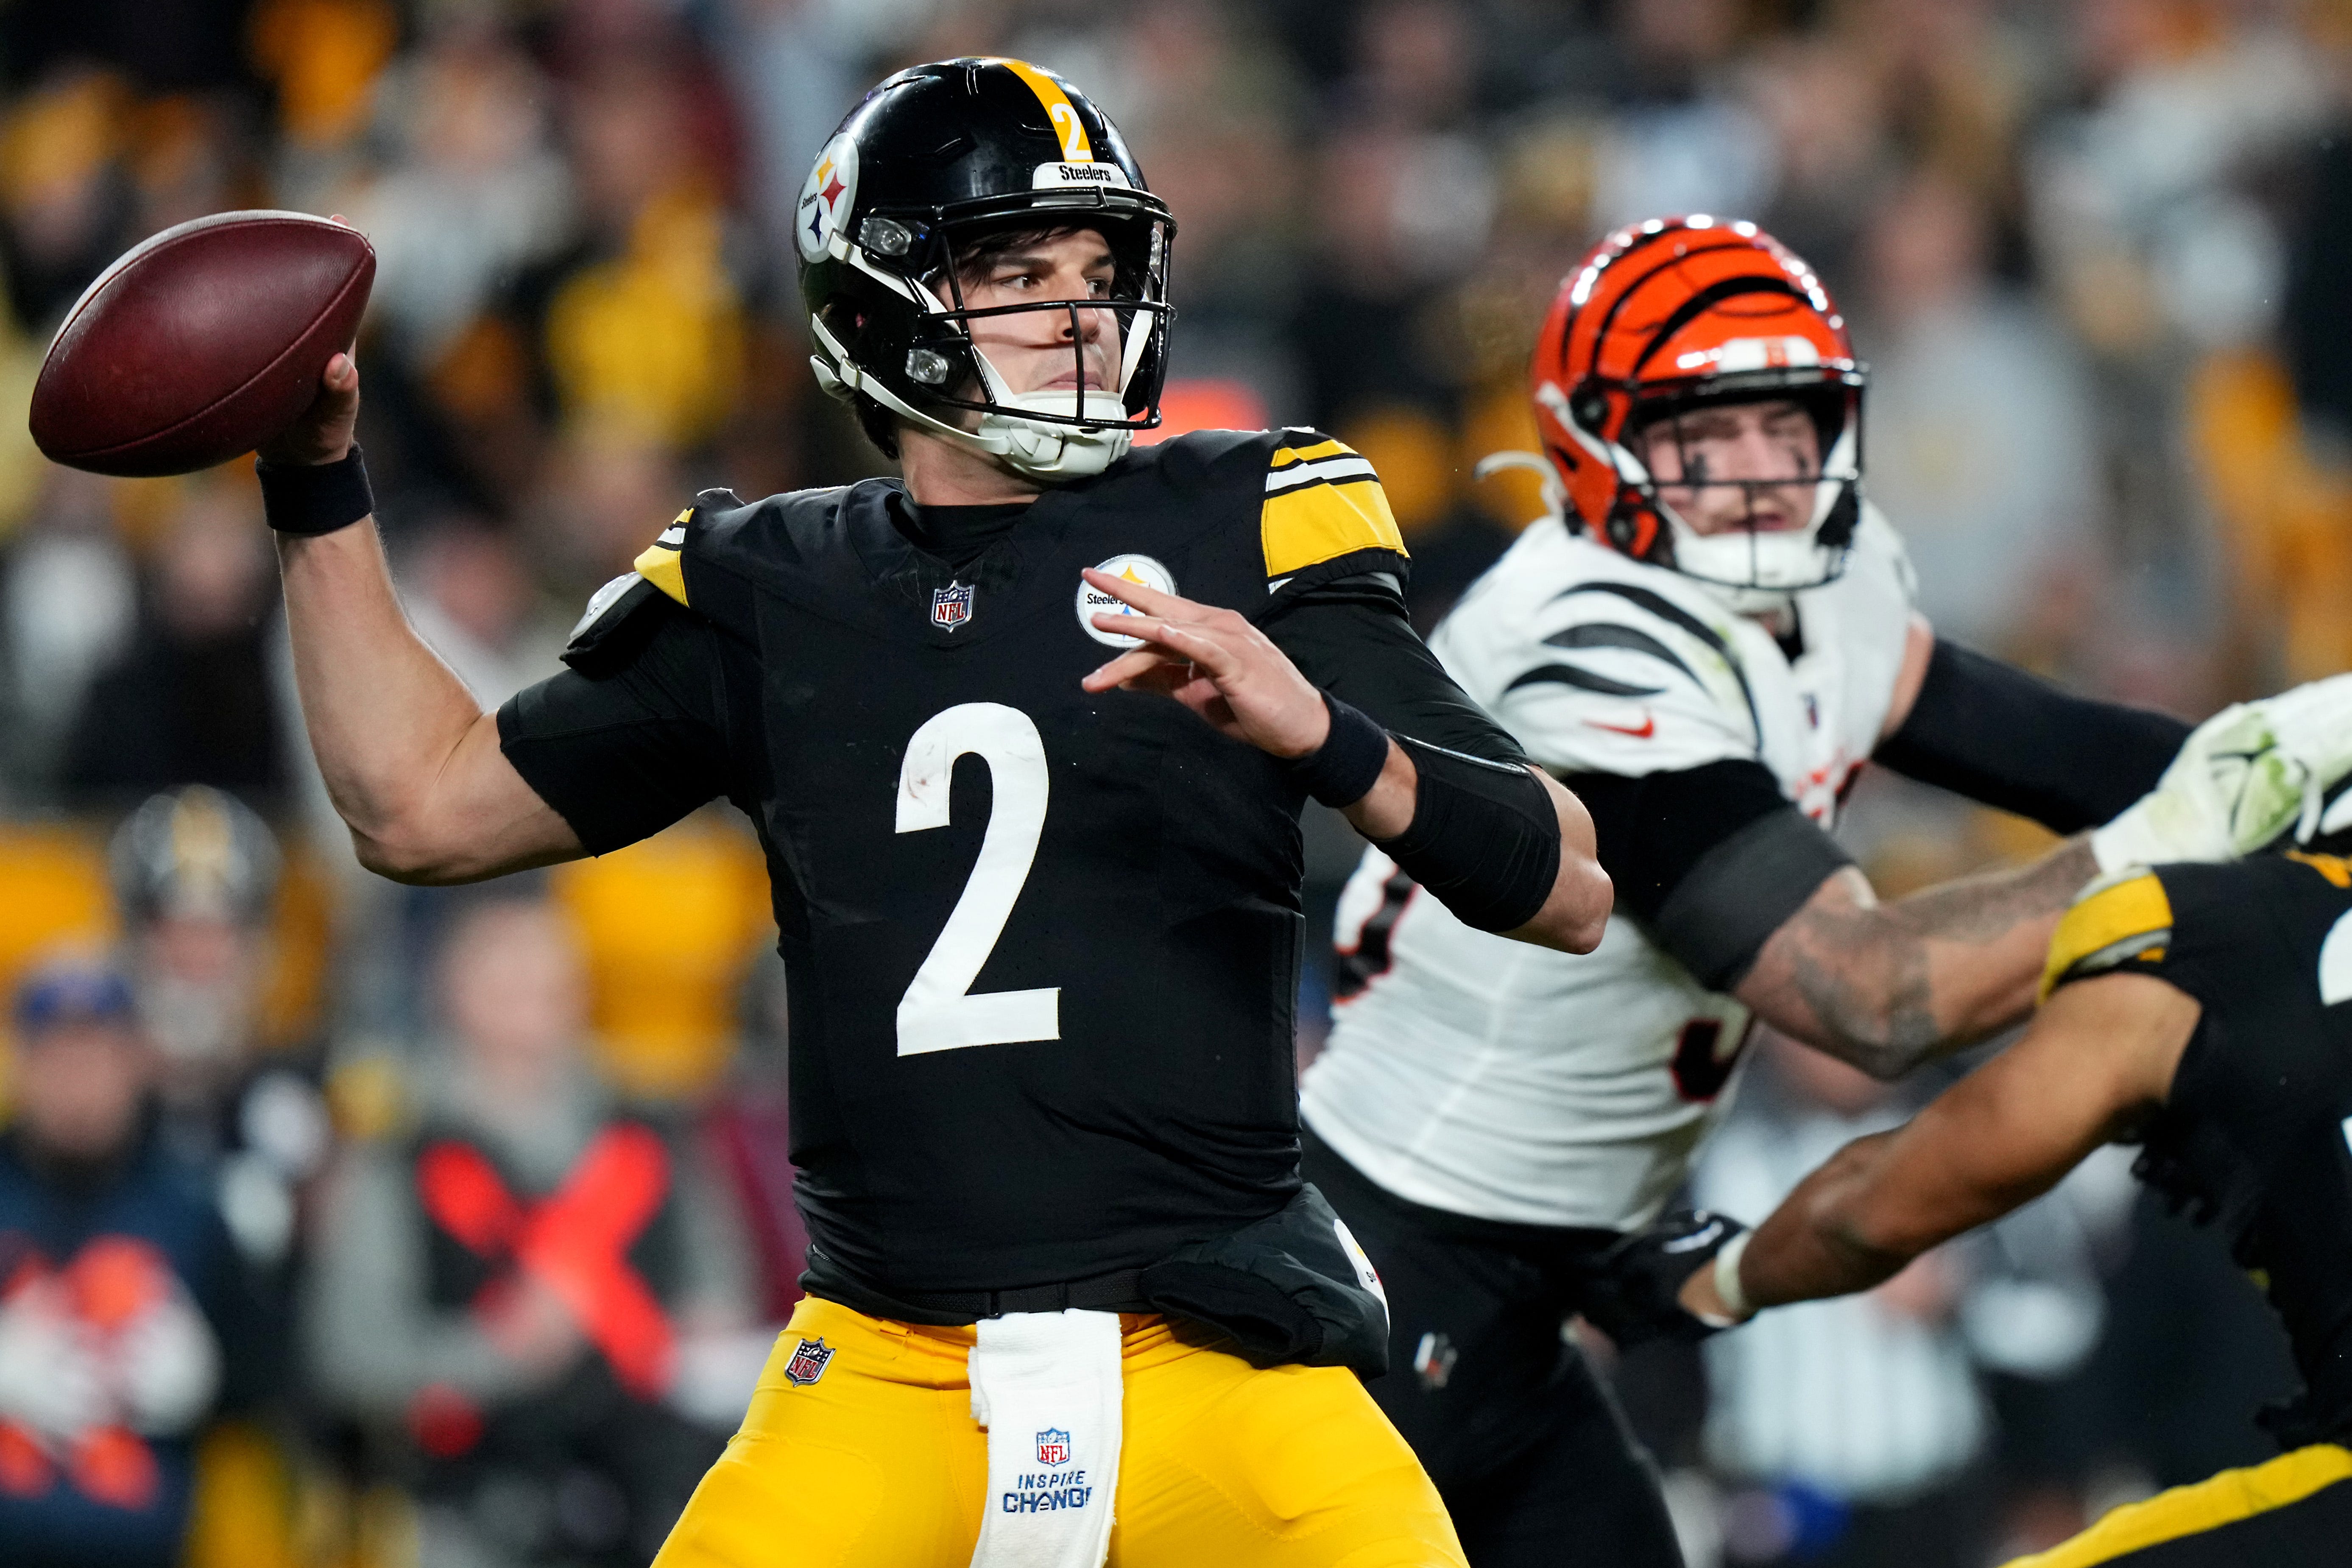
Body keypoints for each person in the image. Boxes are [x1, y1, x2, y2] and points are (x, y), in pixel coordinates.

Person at [260, 58, 1611, 1568]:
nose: (1077, 311)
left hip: (1219, 1363)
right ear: (880, 302)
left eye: (1096, 269)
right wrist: (317, 482)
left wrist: (1326, 735)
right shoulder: (763, 578)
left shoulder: (1246, 512)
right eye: (1018, 271)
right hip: (889, 1365)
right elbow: (418, 807)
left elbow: (1560, 878)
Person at [1297, 215, 2352, 1567]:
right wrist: (2192, 819)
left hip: (1565, 1257)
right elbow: (1875, 999)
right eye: (1700, 435)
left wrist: (2282, 778)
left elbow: (2045, 746)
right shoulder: (1582, 641)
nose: (1756, 475)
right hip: (1405, 1239)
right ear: (1592, 441)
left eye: (1780, 425)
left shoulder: (1830, 578)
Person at [1666, 839, 2352, 1565]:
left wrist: (1963, 1295)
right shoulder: (1711, 1155)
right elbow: (1660, 1338)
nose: (1835, 1044)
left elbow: (2065, 1321)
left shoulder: (1979, 1121)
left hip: (1935, 1508)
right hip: (1764, 1513)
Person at [307, 896, 755, 1568]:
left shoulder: (652, 1127)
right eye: (504, 970)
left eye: (547, 971)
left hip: (648, 1484)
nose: (529, 990)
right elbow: (347, 1355)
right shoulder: (400, 1149)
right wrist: (492, 1351)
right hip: (470, 1498)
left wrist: (693, 1335)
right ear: (451, 986)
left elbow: (723, 1292)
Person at [0, 958, 262, 1568]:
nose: (79, 1080)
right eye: (59, 1056)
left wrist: (207, 1375)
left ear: (136, 1062)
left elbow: (268, 1379)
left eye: (98, 1056)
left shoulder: (192, 1204)